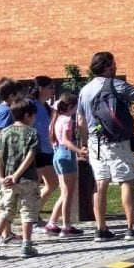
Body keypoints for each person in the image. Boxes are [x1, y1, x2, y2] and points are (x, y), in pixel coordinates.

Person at [76, 51, 134, 241]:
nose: (116, 66)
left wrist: (83, 145)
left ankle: (101, 229)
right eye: (113, 64)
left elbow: (80, 121)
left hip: (95, 143)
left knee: (100, 184)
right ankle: (132, 227)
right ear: (106, 66)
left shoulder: (84, 90)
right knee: (126, 181)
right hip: (116, 142)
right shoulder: (115, 84)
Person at [0, 99, 41, 258]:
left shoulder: (4, 133)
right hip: (27, 179)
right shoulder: (32, 133)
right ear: (27, 115)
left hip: (7, 181)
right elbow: (31, 156)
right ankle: (26, 245)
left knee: (5, 211)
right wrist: (17, 175)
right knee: (28, 211)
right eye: (33, 115)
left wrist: (1, 176)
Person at [0, 77, 26, 244]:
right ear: (11, 95)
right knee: (3, 193)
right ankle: (5, 233)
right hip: (1, 155)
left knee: (4, 192)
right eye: (18, 94)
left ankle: (5, 231)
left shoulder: (3, 108)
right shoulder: (5, 111)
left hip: (0, 153)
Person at [46, 93, 88, 237]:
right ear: (71, 106)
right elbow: (65, 140)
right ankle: (66, 226)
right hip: (66, 155)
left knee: (64, 193)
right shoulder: (68, 120)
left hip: (57, 156)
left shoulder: (55, 120)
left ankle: (52, 223)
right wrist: (79, 151)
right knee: (68, 194)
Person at [28, 76, 59, 232]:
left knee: (53, 183)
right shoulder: (30, 104)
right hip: (35, 150)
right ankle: (30, 217)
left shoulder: (46, 106)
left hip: (47, 149)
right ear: (40, 88)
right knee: (33, 187)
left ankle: (33, 214)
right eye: (50, 87)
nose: (53, 90)